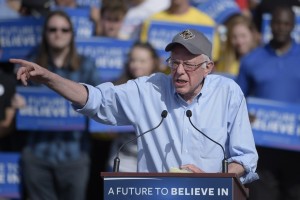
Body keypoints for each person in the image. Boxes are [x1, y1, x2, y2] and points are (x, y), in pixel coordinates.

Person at [11, 29, 258, 185]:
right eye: (174, 63)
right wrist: (49, 78)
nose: (179, 71)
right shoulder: (149, 89)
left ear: (208, 67)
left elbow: (245, 158)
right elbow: (96, 100)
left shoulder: (228, 93)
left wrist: (211, 182)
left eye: (189, 65)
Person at [18, 10, 100, 200]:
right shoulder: (31, 66)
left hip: (75, 155)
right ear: (45, 33)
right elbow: (16, 100)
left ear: (72, 34)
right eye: (52, 29)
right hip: (37, 155)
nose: (58, 33)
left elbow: (99, 104)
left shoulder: (86, 65)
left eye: (65, 30)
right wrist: (17, 102)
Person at [236, 5, 300, 200]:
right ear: (269, 25)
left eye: (286, 23)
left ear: (293, 26)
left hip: (296, 149)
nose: (281, 27)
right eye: (277, 23)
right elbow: (238, 100)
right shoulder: (251, 59)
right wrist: (246, 114)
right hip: (262, 148)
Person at [107, 41, 160, 172]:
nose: (136, 65)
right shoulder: (116, 88)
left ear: (153, 62)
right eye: (133, 60)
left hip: (153, 164)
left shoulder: (163, 91)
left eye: (142, 61)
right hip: (121, 163)